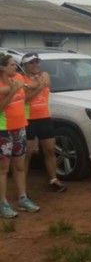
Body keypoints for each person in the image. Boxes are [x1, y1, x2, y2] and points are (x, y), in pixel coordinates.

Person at [0, 54, 40, 218]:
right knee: (3, 169)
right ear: (2, 67)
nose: (15, 68)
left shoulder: (17, 77)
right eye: (11, 65)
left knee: (20, 165)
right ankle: (3, 203)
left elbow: (27, 87)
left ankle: (22, 197)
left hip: (20, 127)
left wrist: (19, 86)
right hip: (4, 129)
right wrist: (13, 90)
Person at [21, 53, 66, 192]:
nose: (35, 65)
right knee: (27, 153)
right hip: (28, 119)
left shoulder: (45, 74)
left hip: (44, 117)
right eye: (31, 63)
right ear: (25, 66)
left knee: (50, 150)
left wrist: (32, 86)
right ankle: (22, 185)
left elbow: (47, 82)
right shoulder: (20, 79)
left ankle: (53, 179)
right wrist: (38, 87)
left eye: (37, 62)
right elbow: (25, 98)